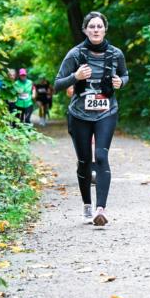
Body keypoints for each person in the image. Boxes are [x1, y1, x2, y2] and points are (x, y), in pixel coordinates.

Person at [54, 12, 129, 226]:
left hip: (107, 111)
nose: (96, 30)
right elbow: (58, 83)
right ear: (85, 30)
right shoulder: (75, 54)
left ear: (105, 29)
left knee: (102, 156)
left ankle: (100, 209)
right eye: (92, 27)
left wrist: (120, 82)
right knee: (85, 161)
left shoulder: (116, 54)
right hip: (79, 114)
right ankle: (87, 204)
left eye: (99, 26)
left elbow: (125, 74)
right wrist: (75, 77)